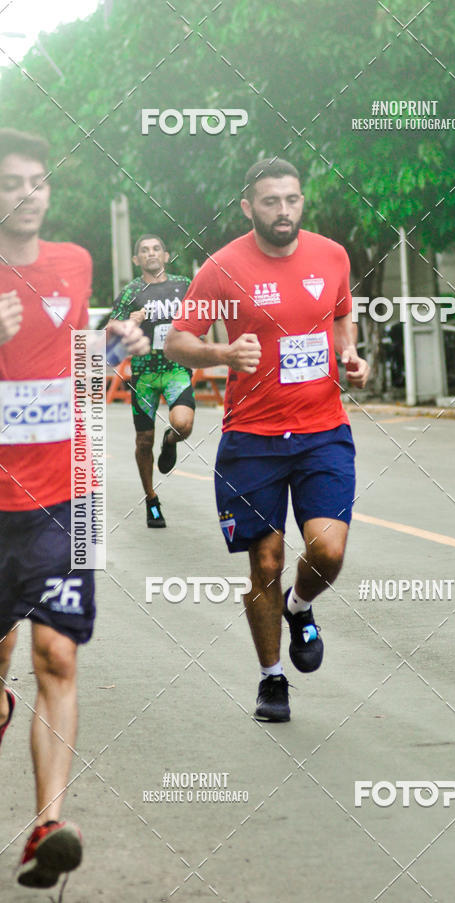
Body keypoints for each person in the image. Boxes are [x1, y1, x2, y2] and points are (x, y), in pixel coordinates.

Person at [164, 158, 369, 722]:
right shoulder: (222, 268)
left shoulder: (331, 256)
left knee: (327, 549)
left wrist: (349, 354)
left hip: (322, 430)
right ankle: (272, 679)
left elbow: (340, 319)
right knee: (265, 561)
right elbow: (177, 342)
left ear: (303, 201)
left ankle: (299, 607)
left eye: (292, 199)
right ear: (248, 207)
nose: (284, 210)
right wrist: (223, 353)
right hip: (251, 438)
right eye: (271, 201)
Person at [0, 128, 148, 889]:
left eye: (37, 182)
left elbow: (75, 361)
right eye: (10, 184)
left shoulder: (74, 263)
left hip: (62, 497)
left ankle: (46, 824)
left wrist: (115, 344)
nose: (26, 196)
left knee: (58, 654)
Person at [109, 235, 195, 528]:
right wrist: (129, 323)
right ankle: (151, 499)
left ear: (166, 255)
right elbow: (110, 332)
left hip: (176, 369)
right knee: (144, 440)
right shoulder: (131, 291)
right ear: (136, 260)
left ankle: (170, 442)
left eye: (156, 248)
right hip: (143, 374)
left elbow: (203, 315)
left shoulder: (184, 285)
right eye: (144, 250)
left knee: (183, 424)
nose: (151, 253)